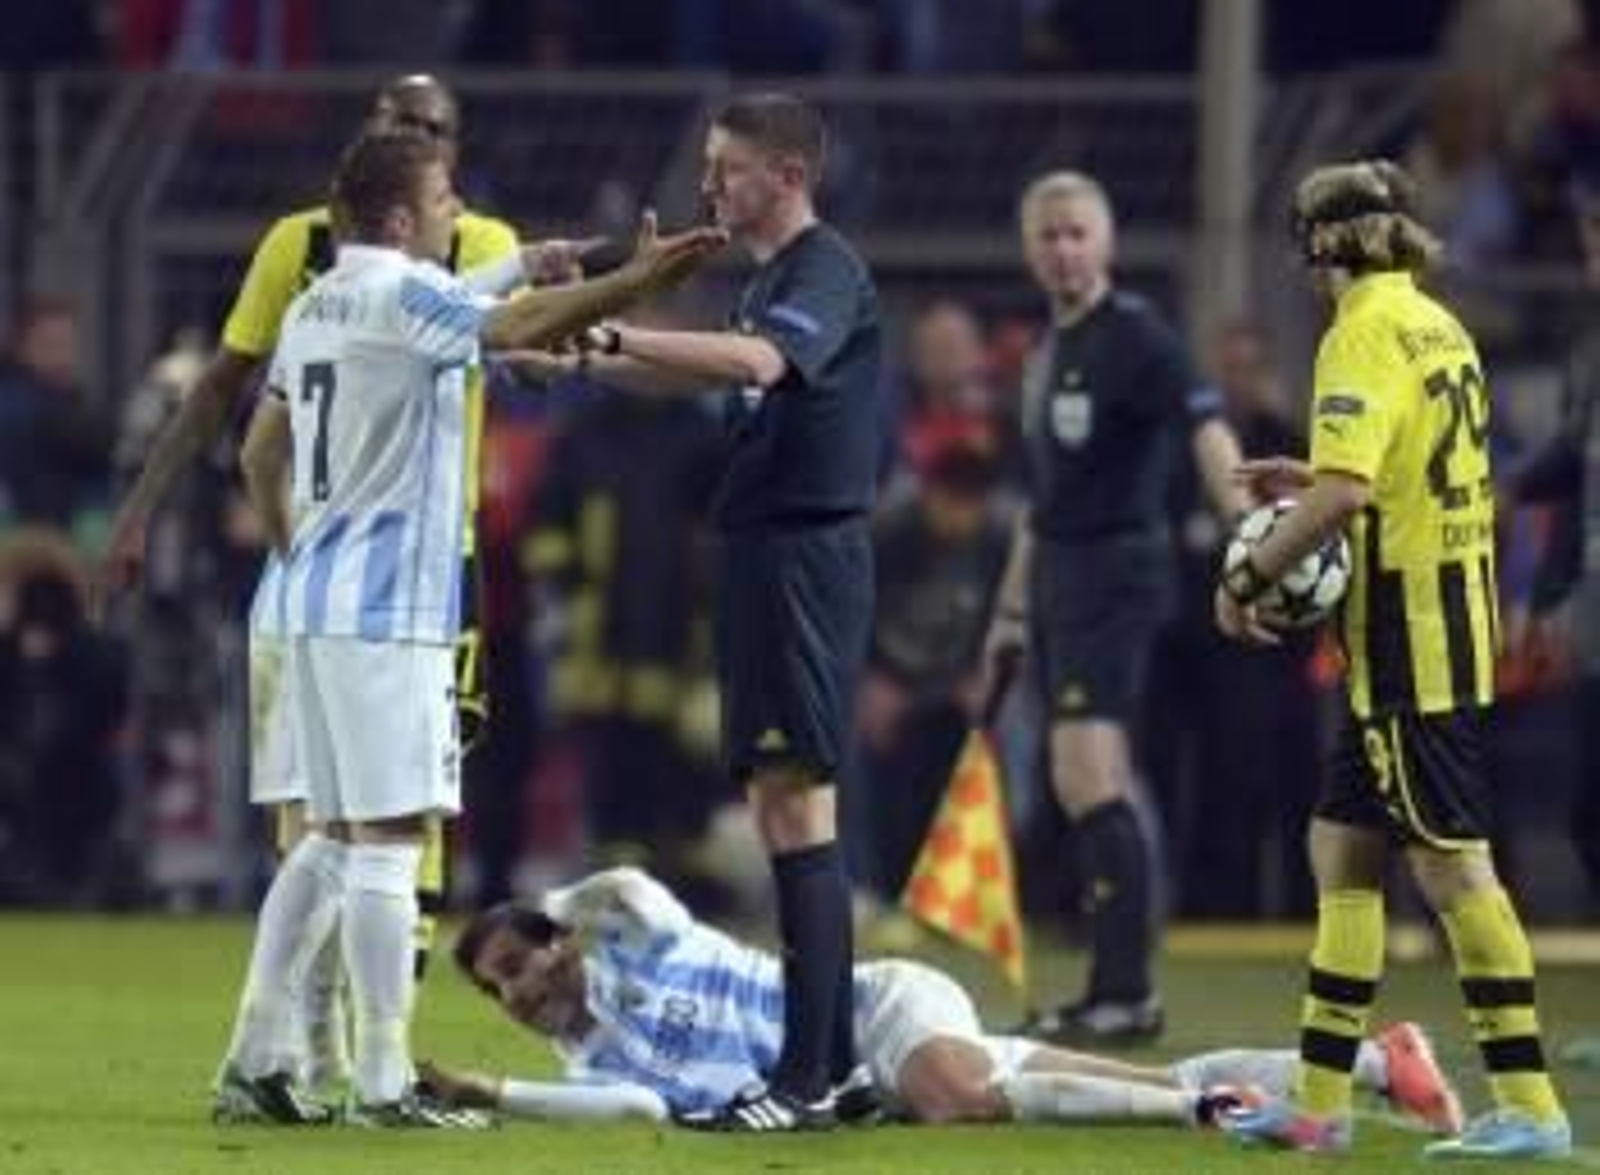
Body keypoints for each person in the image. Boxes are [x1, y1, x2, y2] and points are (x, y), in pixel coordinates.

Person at [215, 126, 722, 1127]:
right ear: (402, 218)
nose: (457, 212)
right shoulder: (408, 299)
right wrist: (637, 278)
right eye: (446, 198)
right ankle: (381, 1079)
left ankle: (253, 1057)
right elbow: (517, 321)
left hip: (307, 605)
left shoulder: (317, 304)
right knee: (389, 844)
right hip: (387, 611)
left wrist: (303, 550)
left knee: (324, 841)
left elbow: (256, 453)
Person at [508, 92, 881, 1131]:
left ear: (789, 175)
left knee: (797, 806)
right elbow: (699, 379)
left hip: (804, 554)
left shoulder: (823, 271)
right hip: (765, 555)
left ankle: (811, 1074)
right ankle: (832, 1063)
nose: (709, 184)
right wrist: (582, 352)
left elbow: (756, 363)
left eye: (727, 167)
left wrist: (619, 320)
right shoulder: (772, 280)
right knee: (780, 805)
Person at [1213, 159, 1571, 1160]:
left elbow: (1343, 501)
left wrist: (1242, 581)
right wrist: (1318, 472)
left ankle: (1534, 1105)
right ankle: (1319, 1104)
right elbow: (1383, 467)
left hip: (1405, 639)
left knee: (1454, 867)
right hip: (1437, 622)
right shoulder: (1436, 322)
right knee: (1342, 850)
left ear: (1320, 246)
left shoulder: (1359, 332)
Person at [427, 865, 1461, 1137]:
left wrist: (554, 901)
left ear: (562, 942)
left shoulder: (638, 943)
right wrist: (489, 1085)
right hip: (864, 1070)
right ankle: (1377, 1064)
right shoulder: (594, 1066)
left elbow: (628, 884)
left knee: (953, 1092)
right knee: (1094, 1080)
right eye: (496, 986)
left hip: (878, 1007)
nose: (517, 991)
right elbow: (638, 1111)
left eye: (520, 961)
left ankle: (1223, 1116)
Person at [978, 171, 1250, 1046]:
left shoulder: (1136, 337)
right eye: (1048, 234)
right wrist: (1011, 615)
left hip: (1116, 575)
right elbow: (1040, 496)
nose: (1063, 248)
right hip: (1059, 576)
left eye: (1077, 233)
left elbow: (1204, 422)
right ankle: (1113, 985)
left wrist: (1249, 532)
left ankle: (1126, 989)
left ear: (1108, 242)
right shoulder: (1044, 351)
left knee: (1093, 771)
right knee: (1073, 777)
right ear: (1029, 246)